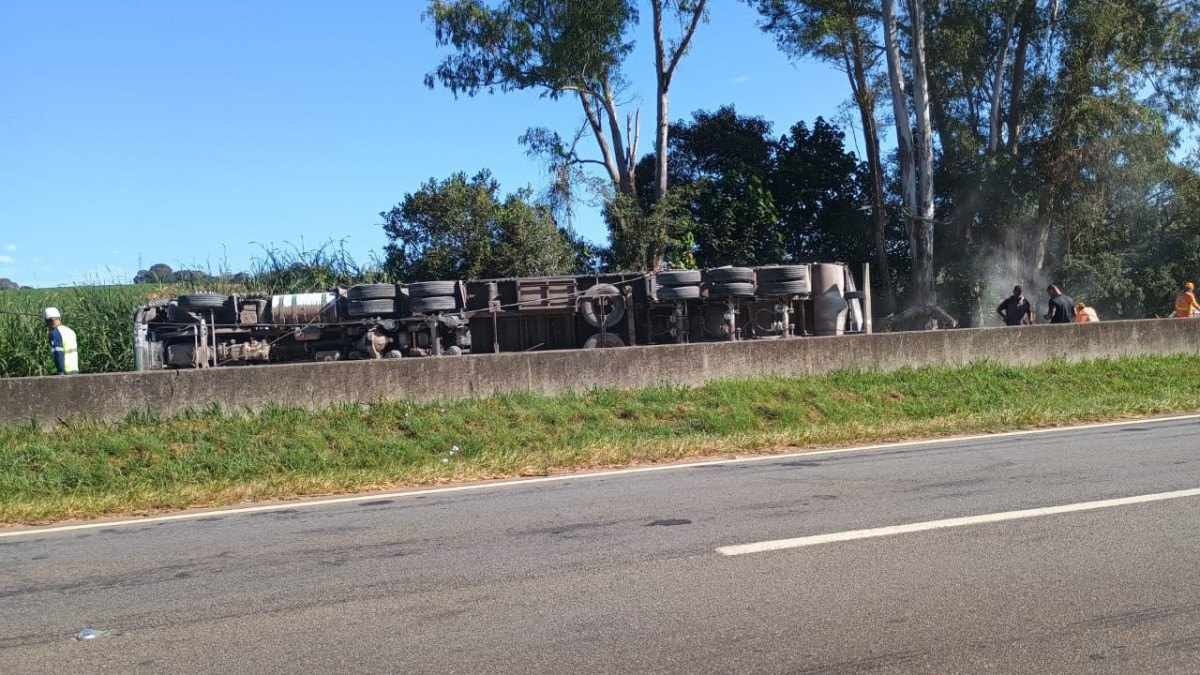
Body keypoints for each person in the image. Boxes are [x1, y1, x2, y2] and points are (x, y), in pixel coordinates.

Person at [44, 307, 79, 375]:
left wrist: (60, 372)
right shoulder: (70, 331)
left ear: (49, 321)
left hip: (64, 371)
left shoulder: (55, 333)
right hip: (74, 370)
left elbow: (58, 353)